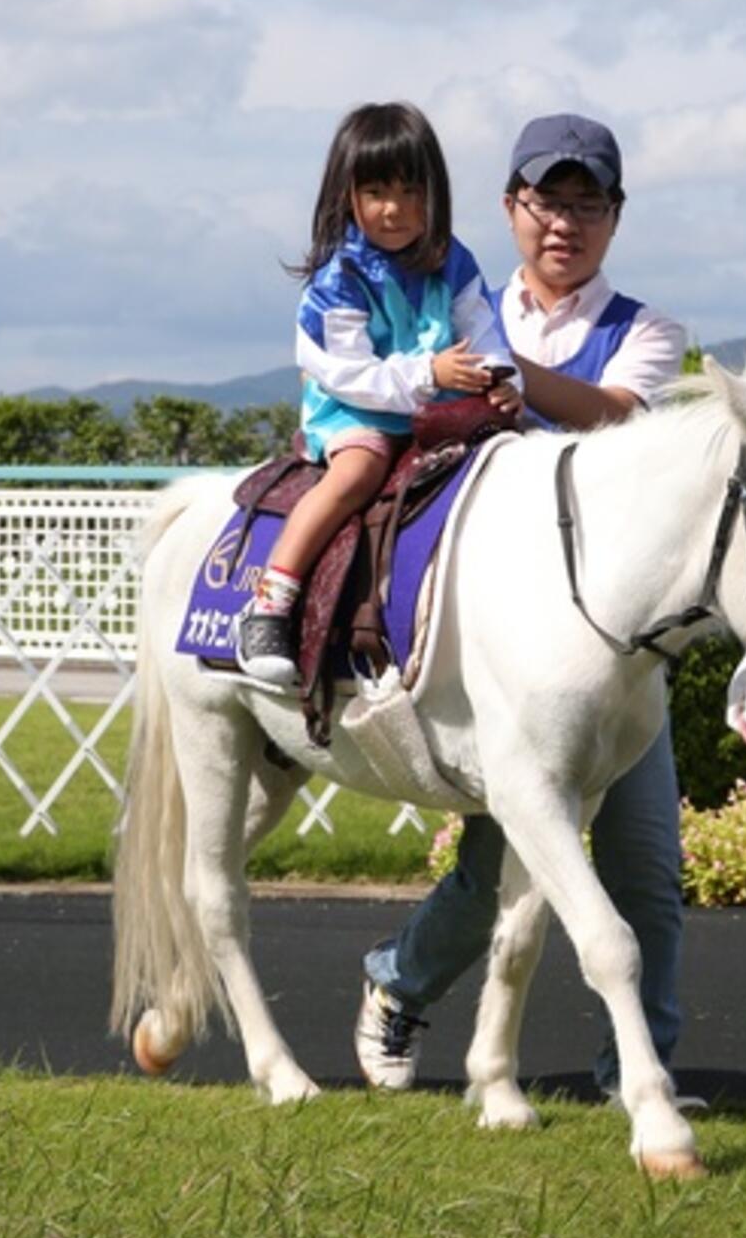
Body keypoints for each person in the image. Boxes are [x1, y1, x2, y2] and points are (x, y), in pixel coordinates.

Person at [353, 113, 692, 1101]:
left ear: (614, 218)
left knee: (647, 870)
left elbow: (619, 421)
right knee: (494, 867)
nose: (564, 223)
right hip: (484, 641)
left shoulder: (645, 331)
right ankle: (397, 982)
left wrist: (501, 375)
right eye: (547, 201)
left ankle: (642, 1069)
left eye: (588, 204)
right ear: (510, 208)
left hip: (615, 659)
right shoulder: (451, 303)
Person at [235, 101, 523, 686]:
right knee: (359, 471)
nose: (393, 209)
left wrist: (502, 382)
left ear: (433, 193)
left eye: (409, 190)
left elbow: (485, 330)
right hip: (354, 409)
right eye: (376, 192)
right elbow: (349, 373)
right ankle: (271, 601)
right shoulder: (338, 278)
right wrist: (431, 376)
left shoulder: (454, 260)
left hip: (435, 406)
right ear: (348, 197)